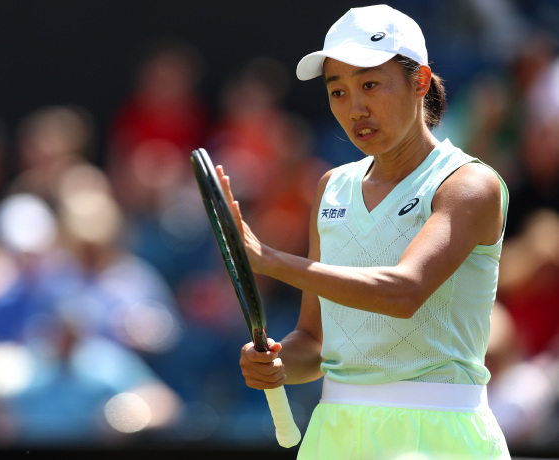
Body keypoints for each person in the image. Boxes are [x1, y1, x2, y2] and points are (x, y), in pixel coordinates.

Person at [219, 5, 511, 459]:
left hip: (440, 435)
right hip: (334, 434)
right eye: (338, 91)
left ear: (420, 81)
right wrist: (277, 363)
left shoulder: (469, 184)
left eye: (370, 84)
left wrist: (270, 261)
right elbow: (314, 342)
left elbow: (404, 292)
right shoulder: (331, 188)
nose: (354, 108)